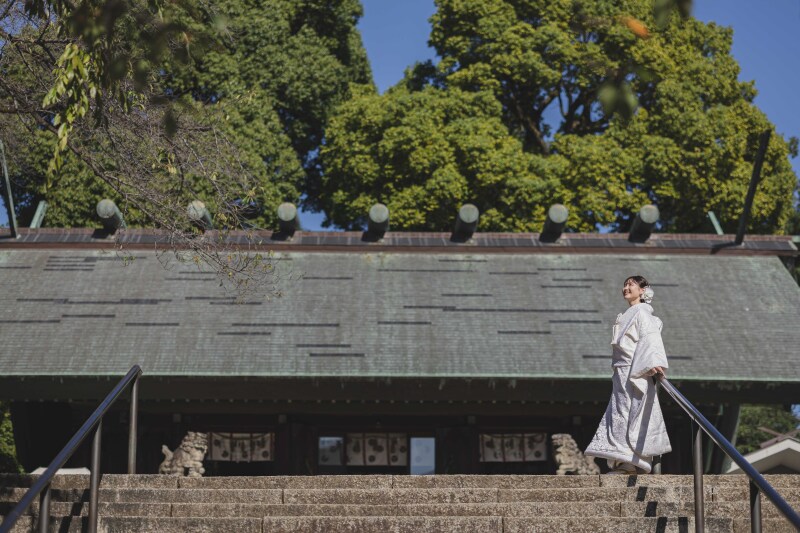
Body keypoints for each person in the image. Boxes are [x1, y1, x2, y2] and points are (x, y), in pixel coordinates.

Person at [584, 275, 672, 474]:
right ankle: (622, 460)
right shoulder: (626, 314)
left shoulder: (642, 313)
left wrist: (654, 362)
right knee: (619, 413)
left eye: (631, 284)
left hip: (634, 370)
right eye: (624, 284)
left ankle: (632, 460)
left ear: (643, 290)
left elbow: (650, 338)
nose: (626, 288)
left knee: (631, 412)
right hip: (620, 372)